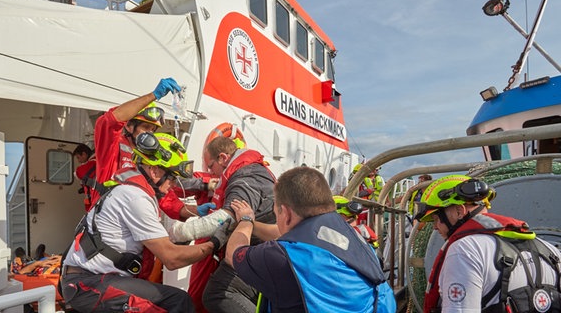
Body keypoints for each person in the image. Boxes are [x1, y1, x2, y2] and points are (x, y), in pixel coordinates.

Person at [60, 133, 229, 313]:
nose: (173, 185)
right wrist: (214, 243)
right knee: (178, 302)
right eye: (172, 177)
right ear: (154, 171)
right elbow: (172, 259)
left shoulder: (132, 191)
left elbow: (158, 239)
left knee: (175, 299)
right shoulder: (135, 197)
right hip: (90, 284)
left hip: (93, 280)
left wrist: (186, 230)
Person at [226, 167, 396, 312]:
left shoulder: (280, 257)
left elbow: (233, 253)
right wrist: (254, 225)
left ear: (285, 213)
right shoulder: (352, 236)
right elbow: (289, 237)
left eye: (276, 213)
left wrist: (246, 220)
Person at [417, 174, 561, 312]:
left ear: (459, 211)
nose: (435, 227)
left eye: (436, 219)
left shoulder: (464, 250)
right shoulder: (549, 250)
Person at [169, 136, 276, 312]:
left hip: (255, 249)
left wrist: (179, 232)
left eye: (211, 166)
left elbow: (227, 218)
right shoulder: (250, 170)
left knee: (217, 293)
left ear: (223, 158)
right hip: (257, 248)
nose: (212, 172)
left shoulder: (245, 176)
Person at [73, 143, 97, 211]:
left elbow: (80, 173)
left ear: (84, 154)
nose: (78, 161)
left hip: (94, 199)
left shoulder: (93, 162)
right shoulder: (96, 161)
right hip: (94, 198)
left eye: (78, 157)